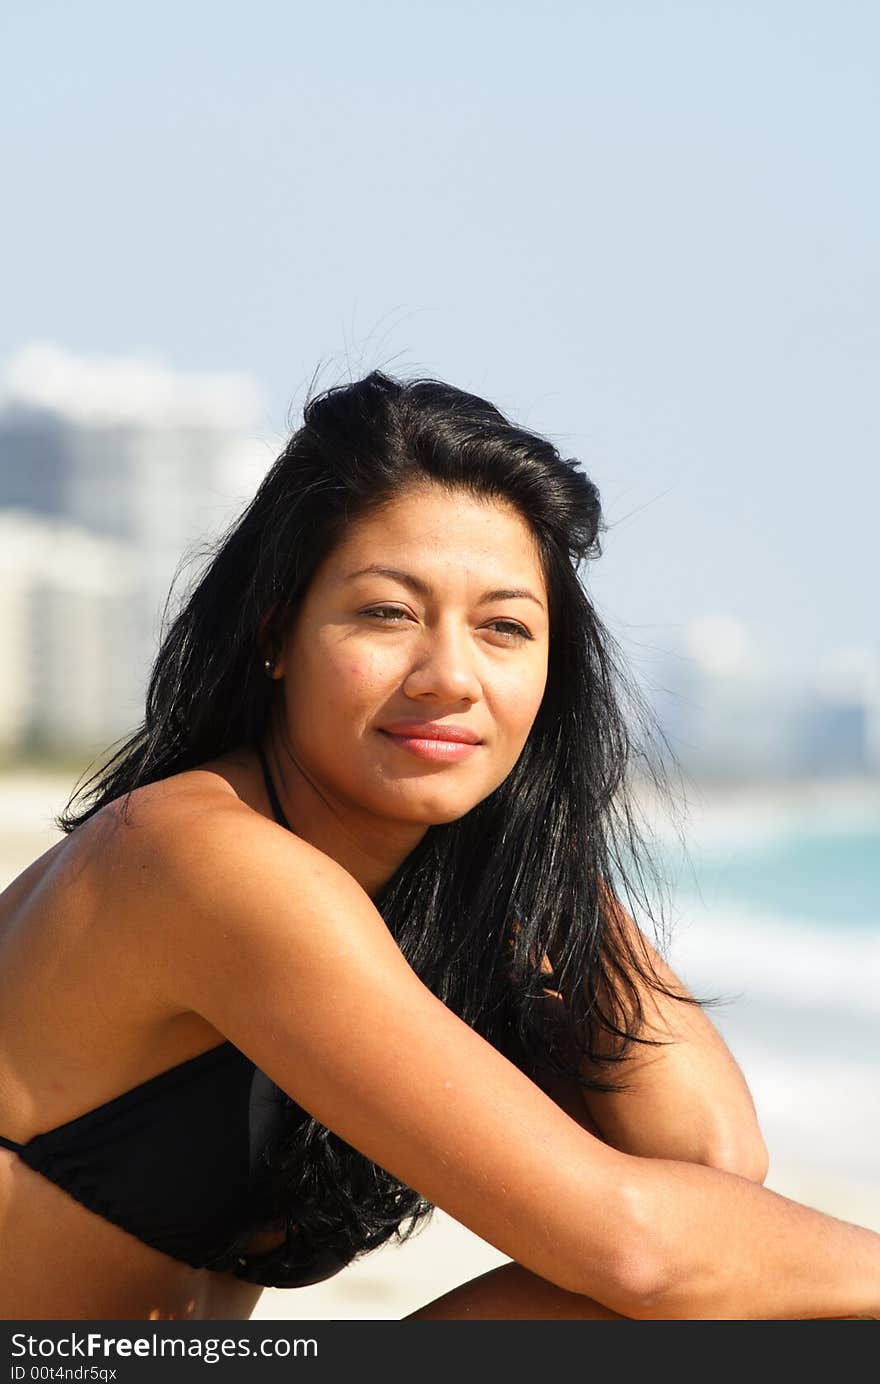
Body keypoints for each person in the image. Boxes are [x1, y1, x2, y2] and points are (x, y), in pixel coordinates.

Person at [0, 370, 877, 1322]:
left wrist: (537, 847)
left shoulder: (435, 877)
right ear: (275, 634)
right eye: (388, 613)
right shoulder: (201, 859)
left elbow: (711, 1160)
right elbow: (636, 1247)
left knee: (720, 1298)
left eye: (505, 628)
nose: (451, 676)